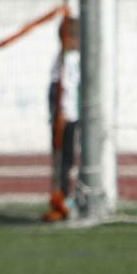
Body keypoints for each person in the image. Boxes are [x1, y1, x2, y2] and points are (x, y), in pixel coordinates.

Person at [43, 16, 80, 222]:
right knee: (65, 159)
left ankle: (65, 195)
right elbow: (63, 88)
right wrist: (62, 113)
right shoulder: (68, 59)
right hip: (66, 117)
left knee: (66, 159)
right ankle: (64, 197)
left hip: (67, 115)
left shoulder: (66, 58)